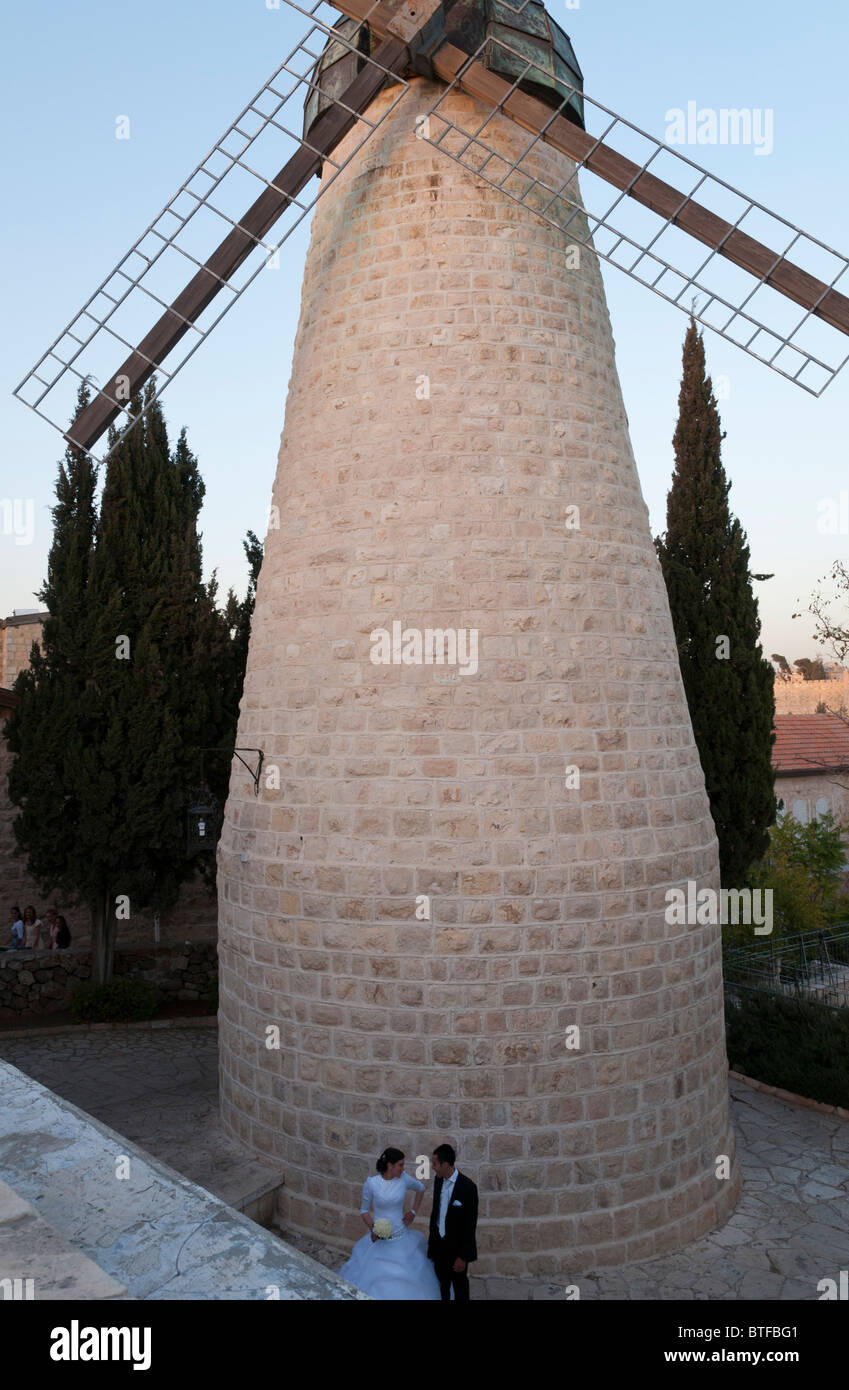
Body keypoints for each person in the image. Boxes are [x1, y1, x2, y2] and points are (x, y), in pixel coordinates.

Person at [338, 1147, 440, 1300]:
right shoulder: (372, 1183)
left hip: (401, 1237)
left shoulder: (404, 1178)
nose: (403, 1168)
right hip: (379, 1240)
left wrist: (413, 1212)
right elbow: (364, 1211)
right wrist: (373, 1229)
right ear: (390, 1166)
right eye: (400, 1165)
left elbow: (420, 1188)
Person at [427, 1143, 479, 1302]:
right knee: (441, 1286)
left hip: (457, 1251)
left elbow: (470, 1225)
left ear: (446, 1164)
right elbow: (436, 1212)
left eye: (435, 1163)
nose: (432, 1167)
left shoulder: (468, 1188)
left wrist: (463, 1257)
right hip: (439, 1246)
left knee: (460, 1288)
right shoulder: (438, 1180)